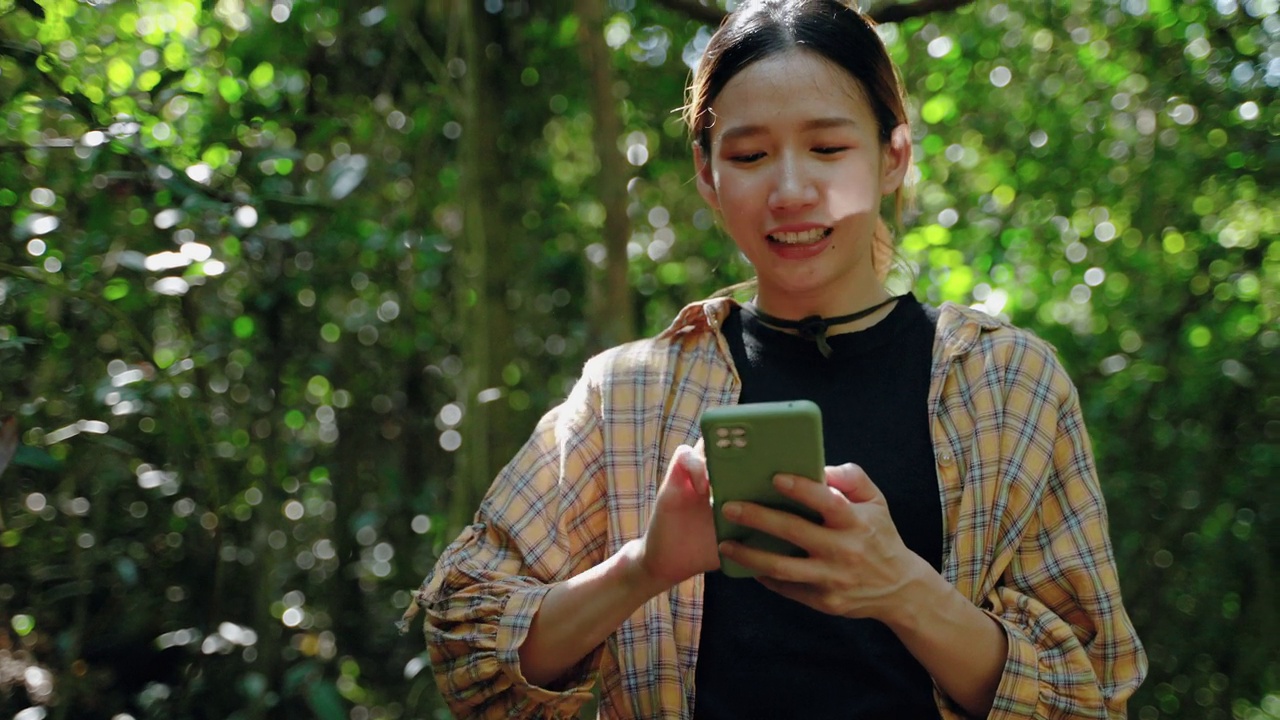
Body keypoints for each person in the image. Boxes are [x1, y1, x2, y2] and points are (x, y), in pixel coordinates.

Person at [404, 0, 1148, 717]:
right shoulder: (627, 394)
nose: (791, 190)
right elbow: (467, 647)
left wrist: (901, 589)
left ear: (893, 157)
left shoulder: (1006, 382)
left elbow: (1088, 693)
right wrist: (644, 567)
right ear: (707, 174)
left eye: (829, 148)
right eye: (751, 155)